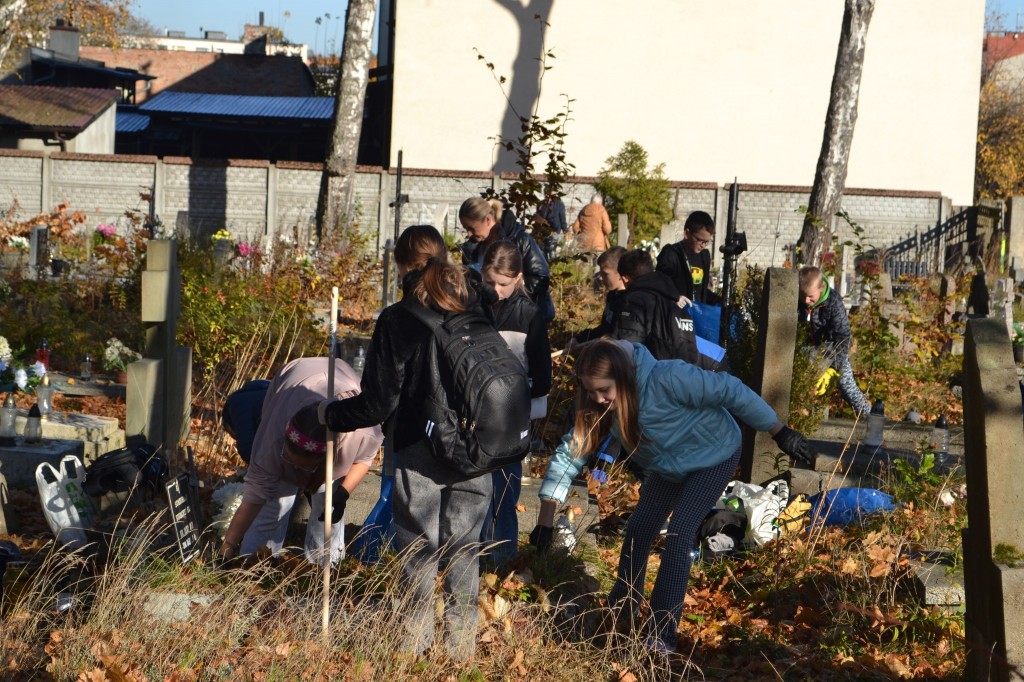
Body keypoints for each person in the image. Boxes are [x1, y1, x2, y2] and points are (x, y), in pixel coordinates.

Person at [530, 339, 814, 653]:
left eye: (604, 390)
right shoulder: (599, 406)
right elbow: (571, 453)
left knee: (680, 533)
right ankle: (621, 609)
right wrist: (545, 521)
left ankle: (662, 634)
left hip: (715, 455)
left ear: (623, 377)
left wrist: (778, 430)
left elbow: (730, 390)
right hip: (669, 466)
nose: (598, 399)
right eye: (591, 391)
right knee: (638, 530)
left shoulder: (668, 378)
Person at [319, 224, 493, 661]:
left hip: (421, 448)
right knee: (465, 552)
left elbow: (377, 404)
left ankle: (414, 648)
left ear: (401, 266)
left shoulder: (399, 319)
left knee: (419, 552)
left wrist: (329, 415)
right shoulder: (477, 303)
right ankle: (460, 653)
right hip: (478, 447)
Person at [218, 357, 383, 565]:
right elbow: (254, 498)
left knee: (328, 506)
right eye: (290, 460)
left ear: (323, 458)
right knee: (274, 501)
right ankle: (254, 565)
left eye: (303, 466)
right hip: (294, 377)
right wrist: (228, 546)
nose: (296, 470)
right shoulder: (271, 440)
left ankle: (325, 565)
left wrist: (343, 493)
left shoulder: (361, 433)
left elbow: (364, 460)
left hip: (341, 381)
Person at [477, 240, 552, 566]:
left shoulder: (529, 316)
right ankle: (474, 556)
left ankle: (503, 560)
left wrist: (509, 394)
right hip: (474, 415)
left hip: (512, 418)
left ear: (519, 278)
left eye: (503, 284)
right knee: (474, 491)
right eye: (489, 281)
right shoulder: (473, 307)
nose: (495, 290)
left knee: (504, 493)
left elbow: (543, 378)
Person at [613, 249, 725, 371]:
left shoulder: (633, 301)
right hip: (692, 370)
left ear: (625, 278)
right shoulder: (673, 298)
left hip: (657, 375)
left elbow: (630, 350)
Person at [460, 197, 554, 322]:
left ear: (487, 219)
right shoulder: (471, 249)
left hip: (523, 320)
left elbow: (541, 277)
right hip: (488, 319)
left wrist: (512, 299)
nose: (469, 233)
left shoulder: (520, 240)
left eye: (472, 228)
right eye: (465, 228)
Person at [798, 265, 871, 416]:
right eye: (803, 295)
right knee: (805, 386)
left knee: (846, 384)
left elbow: (843, 337)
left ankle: (867, 415)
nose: (806, 300)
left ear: (821, 287)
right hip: (805, 351)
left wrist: (832, 368)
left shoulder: (833, 302)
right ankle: (807, 419)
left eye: (810, 296)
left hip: (832, 350)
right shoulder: (799, 301)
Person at [656, 210, 721, 305]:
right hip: (675, 311)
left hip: (696, 311)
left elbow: (702, 292)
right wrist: (675, 297)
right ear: (687, 233)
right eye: (700, 240)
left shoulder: (704, 255)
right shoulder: (671, 253)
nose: (704, 245)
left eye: (707, 242)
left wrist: (720, 301)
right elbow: (660, 286)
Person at [573, 246, 628, 345]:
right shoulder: (612, 295)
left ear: (621, 274)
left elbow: (617, 337)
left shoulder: (628, 301)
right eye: (600, 272)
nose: (601, 278)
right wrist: (579, 339)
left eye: (605, 274)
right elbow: (603, 329)